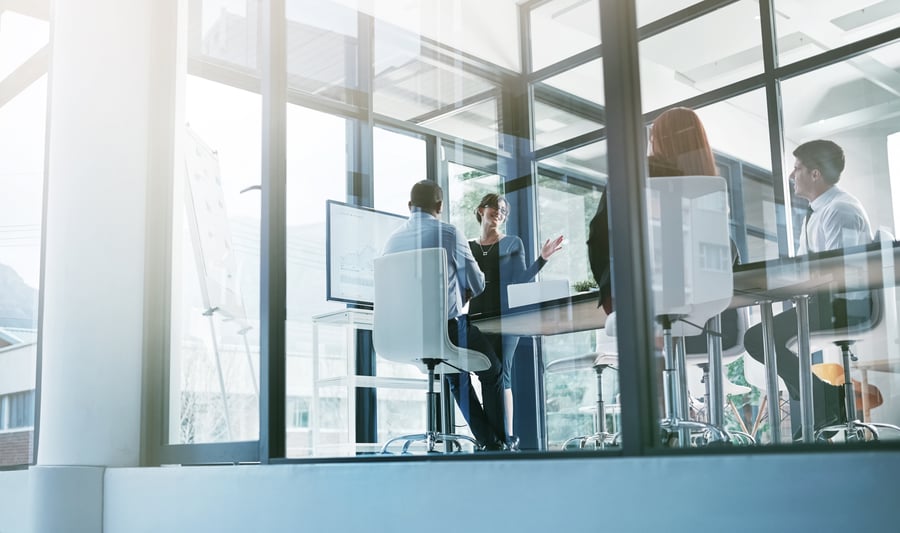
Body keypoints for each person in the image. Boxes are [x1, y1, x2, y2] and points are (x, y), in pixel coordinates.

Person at [742, 139, 873, 438]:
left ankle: (826, 401)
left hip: (844, 306)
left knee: (759, 338)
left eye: (797, 168)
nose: (792, 175)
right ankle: (825, 402)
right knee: (761, 338)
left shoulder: (841, 210)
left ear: (815, 174)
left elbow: (840, 274)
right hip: (826, 302)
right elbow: (805, 270)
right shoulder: (816, 212)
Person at [382, 180, 508, 450]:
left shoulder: (391, 241)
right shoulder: (449, 233)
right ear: (439, 206)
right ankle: (497, 445)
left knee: (455, 373)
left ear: (409, 206)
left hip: (401, 336)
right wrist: (462, 292)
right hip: (445, 331)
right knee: (493, 369)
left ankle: (491, 442)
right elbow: (477, 283)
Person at [588, 106, 718, 314]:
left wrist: (609, 289)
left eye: (652, 138)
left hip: (636, 297)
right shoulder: (711, 187)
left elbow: (599, 236)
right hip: (703, 304)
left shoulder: (634, 174)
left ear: (661, 140)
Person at [467, 193, 564, 449]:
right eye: (495, 207)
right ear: (481, 210)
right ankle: (491, 440)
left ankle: (506, 438)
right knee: (485, 374)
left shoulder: (512, 243)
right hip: (477, 319)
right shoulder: (468, 247)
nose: (499, 213)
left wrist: (542, 259)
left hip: (507, 318)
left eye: (503, 211)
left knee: (502, 373)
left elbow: (521, 281)